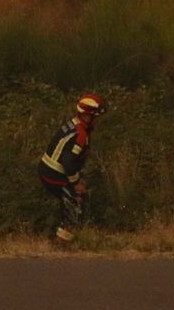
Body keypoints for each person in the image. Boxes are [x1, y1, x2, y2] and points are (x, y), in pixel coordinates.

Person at [37, 94, 104, 243]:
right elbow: (69, 161)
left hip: (49, 170)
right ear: (88, 116)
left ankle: (58, 236)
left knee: (70, 200)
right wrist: (76, 183)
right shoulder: (80, 135)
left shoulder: (73, 124)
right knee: (75, 203)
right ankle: (61, 244)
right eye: (96, 117)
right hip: (54, 174)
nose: (98, 120)